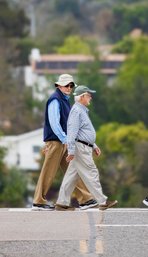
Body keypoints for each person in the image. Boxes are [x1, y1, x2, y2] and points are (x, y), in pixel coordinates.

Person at [32, 74, 97, 211]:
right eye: (66, 85)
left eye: (71, 85)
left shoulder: (64, 99)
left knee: (74, 168)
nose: (69, 88)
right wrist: (63, 140)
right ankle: (39, 202)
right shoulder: (55, 100)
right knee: (48, 171)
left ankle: (86, 199)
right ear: (59, 85)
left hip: (64, 142)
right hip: (57, 141)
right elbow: (54, 123)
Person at [54, 86, 117, 211]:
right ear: (82, 96)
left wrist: (94, 145)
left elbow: (82, 132)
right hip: (80, 148)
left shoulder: (81, 110)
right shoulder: (77, 111)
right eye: (88, 95)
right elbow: (72, 133)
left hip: (82, 146)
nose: (90, 98)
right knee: (91, 172)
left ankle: (61, 203)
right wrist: (71, 151)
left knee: (71, 176)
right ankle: (102, 201)